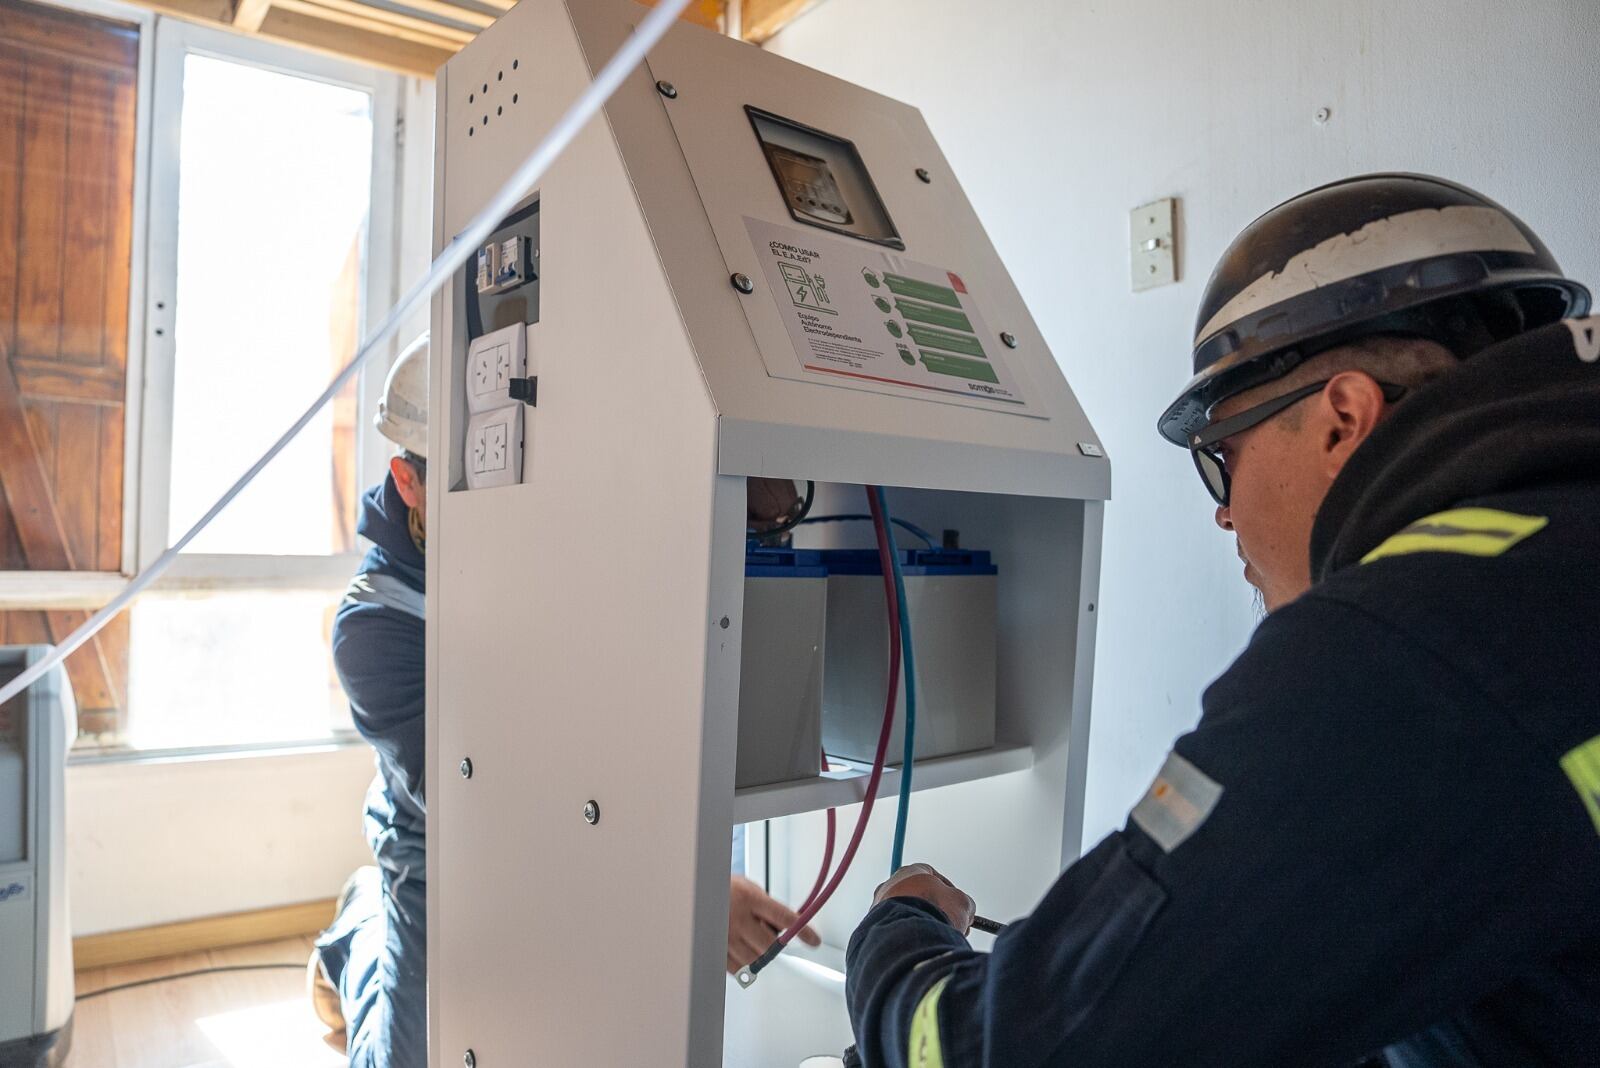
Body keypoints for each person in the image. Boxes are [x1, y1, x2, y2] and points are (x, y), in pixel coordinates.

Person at [843, 173, 1600, 1067]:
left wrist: (900, 928)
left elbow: (1016, 1049)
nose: (1225, 515)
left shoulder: (1400, 649)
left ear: (1341, 419)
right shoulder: (1553, 555)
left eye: (1223, 460)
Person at [309, 335, 819, 1065]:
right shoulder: (373, 628)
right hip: (439, 840)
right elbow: (479, 801)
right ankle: (363, 933)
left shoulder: (548, 535)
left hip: (571, 813)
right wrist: (682, 883)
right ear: (409, 481)